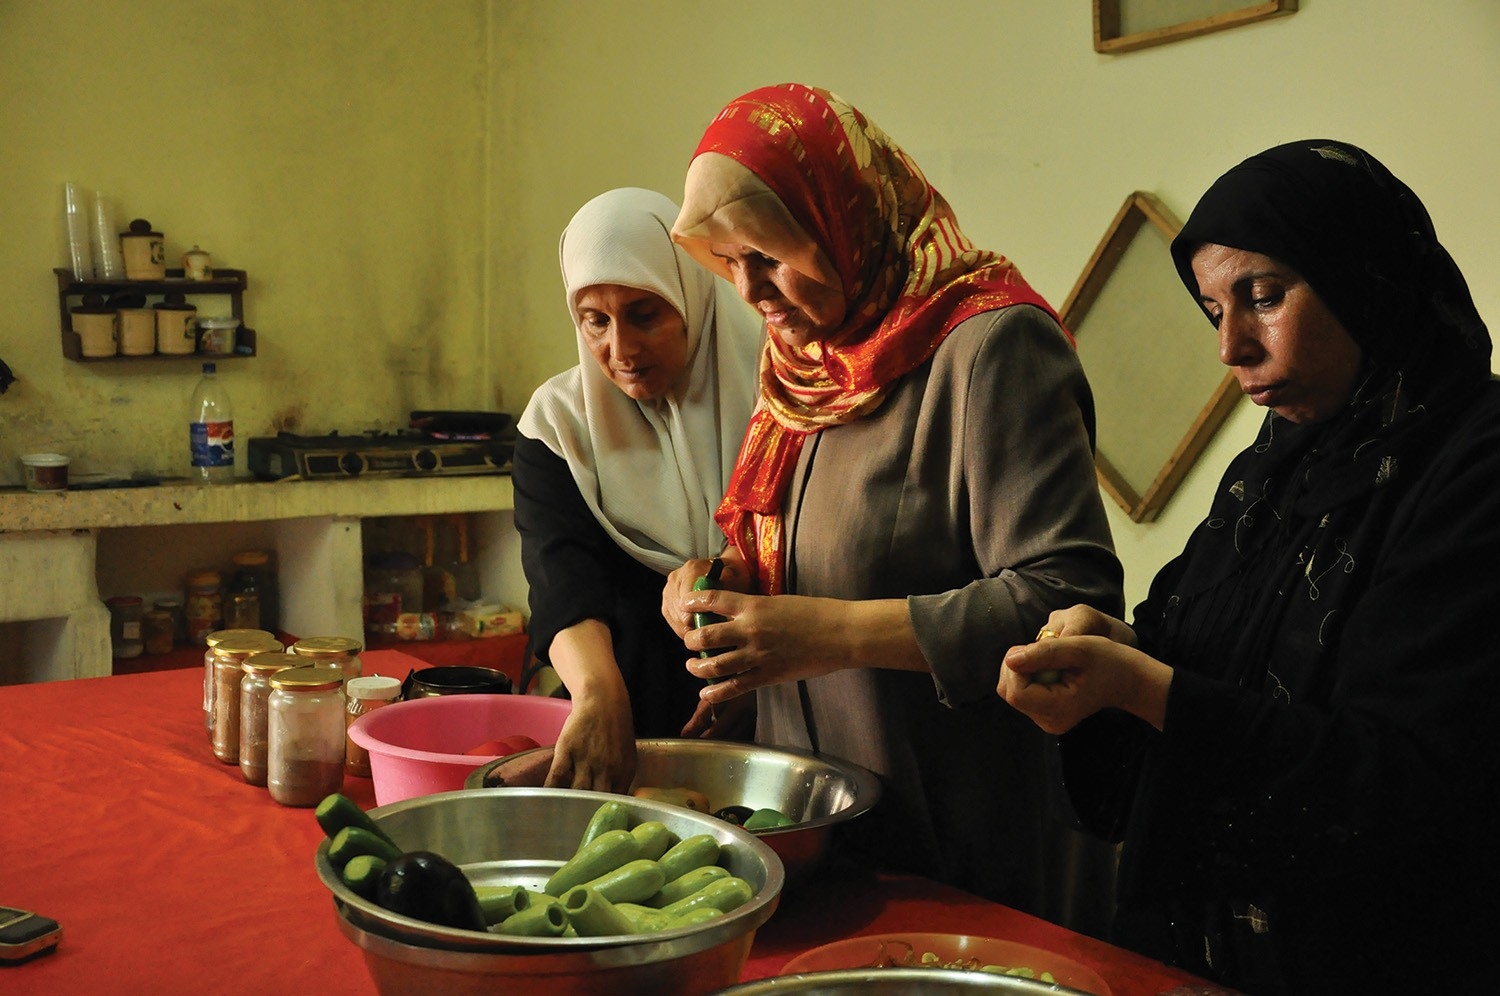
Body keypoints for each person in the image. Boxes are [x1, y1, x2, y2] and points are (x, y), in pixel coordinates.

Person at [998, 140, 1500, 994]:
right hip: (1200, 954)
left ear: (1362, 276)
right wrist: (1107, 651)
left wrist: (1141, 688)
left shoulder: (1475, 466)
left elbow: (1405, 783)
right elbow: (1193, 650)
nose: (1231, 347)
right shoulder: (1277, 466)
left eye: (1262, 299)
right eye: (1212, 311)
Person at [663, 83, 1124, 927]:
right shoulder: (806, 362)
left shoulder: (989, 346)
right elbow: (806, 549)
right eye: (726, 263)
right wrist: (711, 585)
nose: (750, 292)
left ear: (844, 217)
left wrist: (827, 634)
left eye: (767, 255)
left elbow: (1066, 598)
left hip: (955, 843)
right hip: (813, 835)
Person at [514, 187, 763, 791]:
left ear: (692, 298)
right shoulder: (560, 426)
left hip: (781, 716)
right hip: (627, 722)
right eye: (594, 320)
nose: (619, 350)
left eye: (644, 314)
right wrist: (598, 696)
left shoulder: (776, 399)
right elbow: (563, 581)